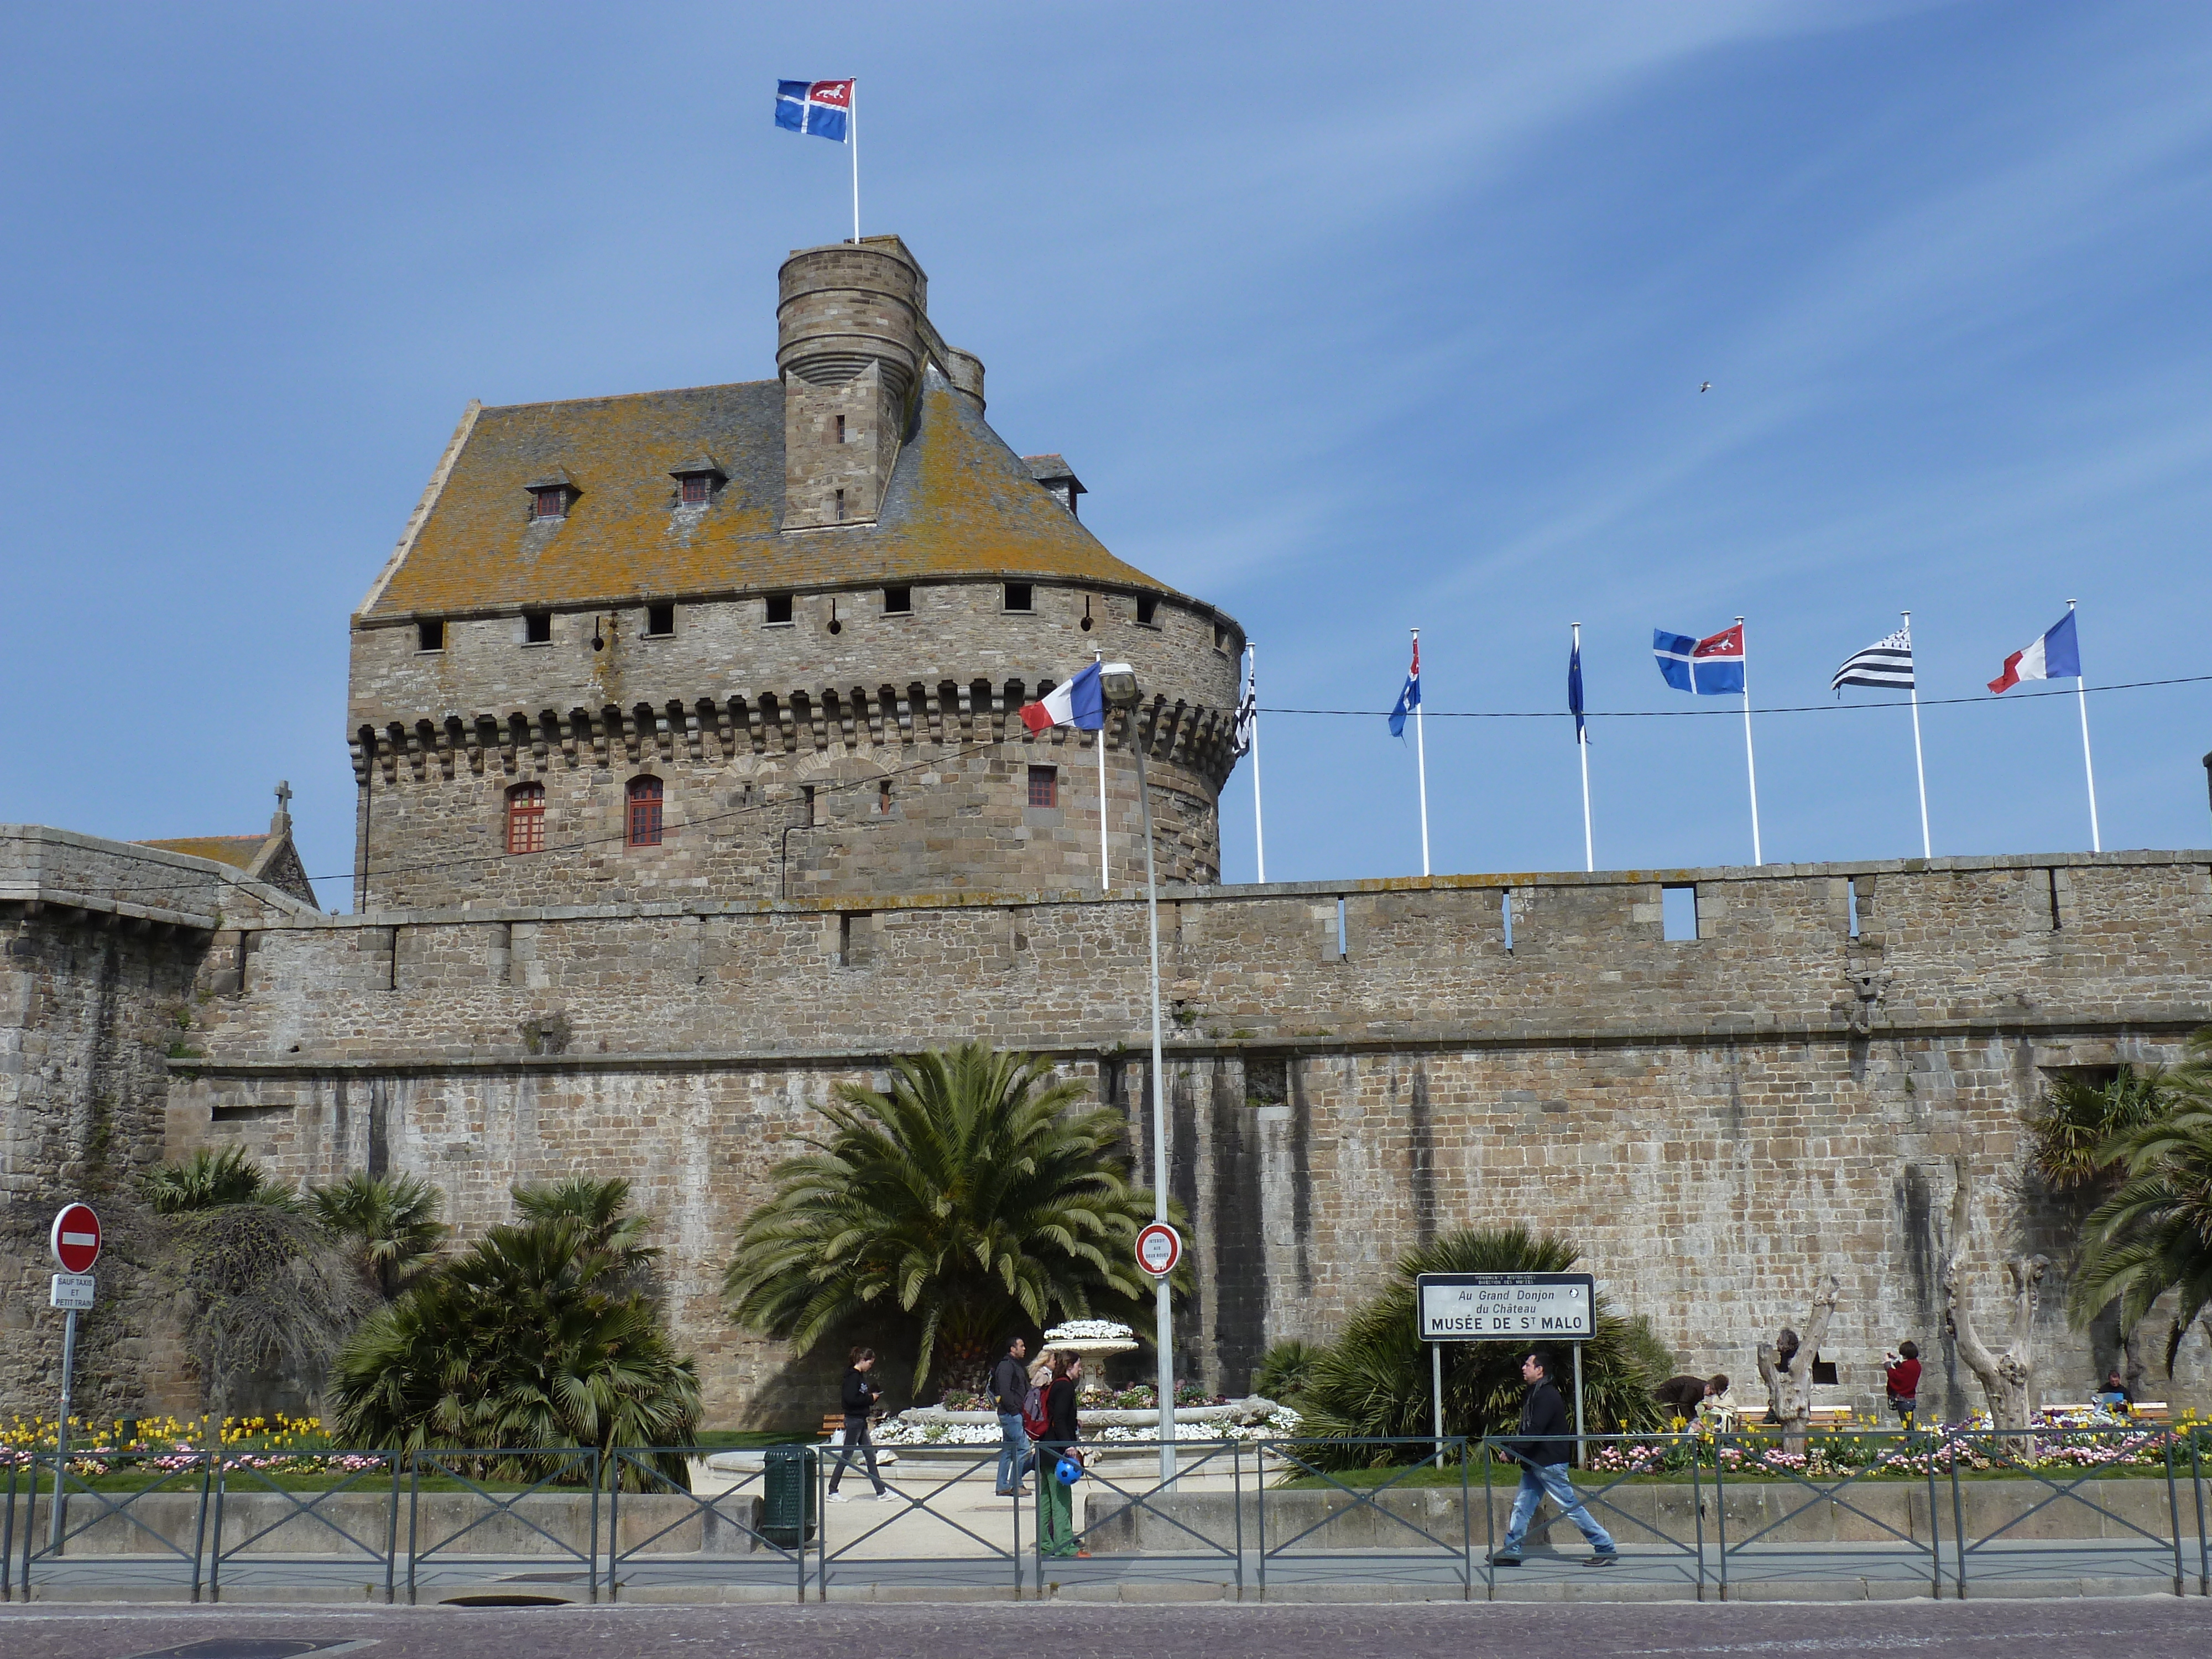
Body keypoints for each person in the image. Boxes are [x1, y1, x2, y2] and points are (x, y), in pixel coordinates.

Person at [1486, 1351, 1618, 1568]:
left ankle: (1605, 1547)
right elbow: (1530, 1429)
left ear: (1540, 1370)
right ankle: (1512, 1551)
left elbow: (1536, 1429)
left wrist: (1512, 1451)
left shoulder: (1547, 1396)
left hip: (1549, 1464)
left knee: (1570, 1507)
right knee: (1522, 1506)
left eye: (1528, 1365)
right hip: (1535, 1463)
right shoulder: (1535, 1393)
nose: (1523, 1368)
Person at [1037, 1352, 1089, 1558]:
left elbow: (1055, 1415)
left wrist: (1072, 1422)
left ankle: (1046, 1543)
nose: (1080, 1369)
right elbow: (1059, 1418)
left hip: (1045, 1447)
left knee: (1046, 1499)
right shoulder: (1066, 1386)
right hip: (1057, 1449)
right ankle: (1065, 1544)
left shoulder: (1054, 1384)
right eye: (1078, 1365)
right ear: (1070, 1366)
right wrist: (1069, 1446)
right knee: (1061, 1499)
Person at [827, 1345, 891, 1502]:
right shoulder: (852, 1377)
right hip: (854, 1420)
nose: (870, 1367)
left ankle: (881, 1492)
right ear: (863, 1360)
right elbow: (850, 1399)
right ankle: (832, 1490)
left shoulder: (859, 1376)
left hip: (860, 1420)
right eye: (870, 1363)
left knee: (870, 1456)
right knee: (847, 1455)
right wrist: (870, 1399)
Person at [990, 1335, 1032, 1498]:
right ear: (1012, 1349)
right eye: (1021, 1346)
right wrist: (1015, 1411)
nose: (1024, 1348)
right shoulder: (1007, 1367)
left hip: (1012, 1413)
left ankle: (1002, 1485)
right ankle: (1016, 1484)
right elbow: (1005, 1392)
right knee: (1024, 1448)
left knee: (1008, 1450)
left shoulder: (1015, 1365)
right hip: (1010, 1414)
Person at [1652, 1373, 1728, 1423]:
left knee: (1679, 1424)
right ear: (1708, 1386)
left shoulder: (1700, 1390)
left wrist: (1697, 1420)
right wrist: (1692, 1422)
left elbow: (1690, 1406)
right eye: (1711, 1393)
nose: (1710, 1395)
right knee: (1672, 1424)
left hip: (1672, 1400)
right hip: (1663, 1398)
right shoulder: (1695, 1387)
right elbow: (1683, 1404)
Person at [1882, 1341, 1922, 1428]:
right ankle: (1910, 1441)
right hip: (1910, 1400)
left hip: (1904, 1401)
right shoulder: (1916, 1364)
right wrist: (1895, 1360)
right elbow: (1904, 1372)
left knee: (1907, 1426)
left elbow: (1896, 1376)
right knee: (1909, 1425)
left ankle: (1911, 1441)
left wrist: (1887, 1363)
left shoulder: (1908, 1365)